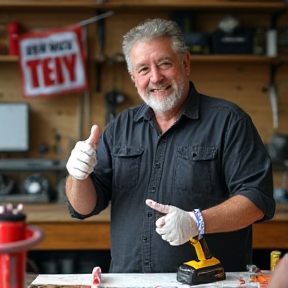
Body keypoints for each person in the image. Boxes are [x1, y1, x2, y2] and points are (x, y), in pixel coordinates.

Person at [65, 18, 275, 275]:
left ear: (185, 63)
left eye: (165, 63)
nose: (155, 77)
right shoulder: (121, 127)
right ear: (133, 78)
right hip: (131, 280)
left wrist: (196, 222)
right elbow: (83, 207)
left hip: (209, 282)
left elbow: (257, 199)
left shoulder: (229, 122)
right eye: (143, 69)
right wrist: (78, 176)